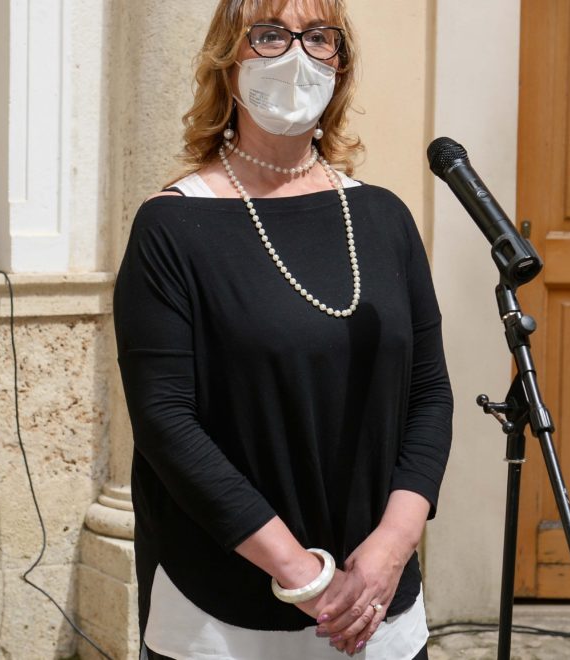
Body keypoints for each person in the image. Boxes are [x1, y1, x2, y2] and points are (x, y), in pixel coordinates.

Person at [112, 1, 453, 658]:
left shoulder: (383, 219)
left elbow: (429, 392)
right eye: (269, 35)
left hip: (376, 599)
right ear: (228, 61)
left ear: (340, 64)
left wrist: (393, 544)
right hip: (222, 610)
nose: (297, 56)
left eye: (319, 38)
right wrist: (300, 573)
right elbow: (165, 423)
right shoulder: (172, 227)